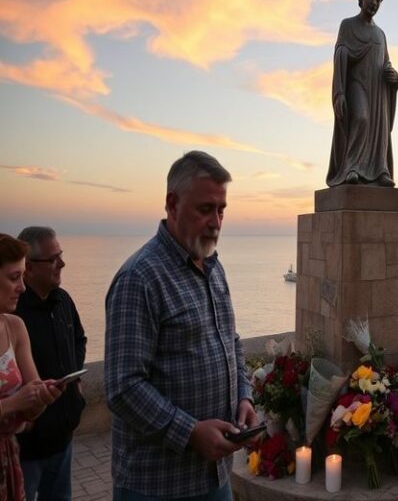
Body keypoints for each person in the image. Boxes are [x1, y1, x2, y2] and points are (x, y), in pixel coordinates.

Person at [105, 151, 258, 501]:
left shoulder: (213, 268)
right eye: (205, 209)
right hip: (157, 485)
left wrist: (244, 397)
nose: (216, 222)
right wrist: (190, 432)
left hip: (214, 476)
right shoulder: (139, 278)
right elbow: (122, 386)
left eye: (221, 210)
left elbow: (230, 340)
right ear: (172, 204)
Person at [15, 226, 86, 501]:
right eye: (53, 259)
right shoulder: (14, 313)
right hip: (27, 446)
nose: (62, 263)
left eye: (61, 255)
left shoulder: (63, 301)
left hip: (63, 437)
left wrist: (74, 377)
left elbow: (79, 338)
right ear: (29, 268)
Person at [0, 234, 61, 500]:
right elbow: (19, 402)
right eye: (14, 278)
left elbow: (33, 407)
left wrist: (43, 397)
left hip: (8, 459)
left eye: (23, 276)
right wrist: (14, 404)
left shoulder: (14, 327)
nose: (23, 287)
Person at [326, 0, 398, 187]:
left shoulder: (381, 34)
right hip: (357, 85)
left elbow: (386, 63)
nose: (374, 3)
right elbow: (340, 53)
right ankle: (352, 167)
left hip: (378, 91)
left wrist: (394, 76)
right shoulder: (347, 26)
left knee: (381, 126)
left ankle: (380, 170)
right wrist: (339, 92)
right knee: (361, 118)